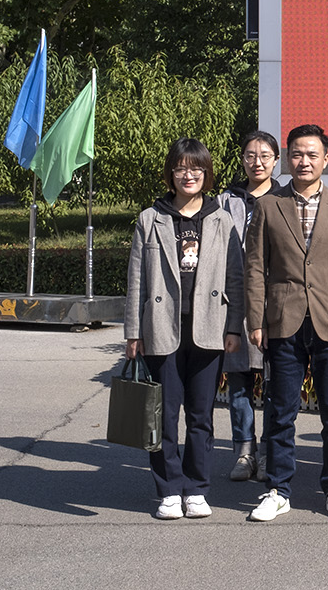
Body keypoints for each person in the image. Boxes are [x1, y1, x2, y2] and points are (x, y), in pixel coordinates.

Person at [239, 124, 328, 523]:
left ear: (326, 159)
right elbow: (255, 268)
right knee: (281, 411)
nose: (304, 161)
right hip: (283, 320)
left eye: (312, 155)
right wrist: (256, 319)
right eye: (297, 154)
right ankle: (278, 490)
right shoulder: (268, 206)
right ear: (287, 159)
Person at [124, 138, 242, 520]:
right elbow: (136, 280)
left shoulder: (221, 219)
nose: (188, 175)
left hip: (208, 327)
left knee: (201, 416)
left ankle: (196, 489)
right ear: (170, 173)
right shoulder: (150, 218)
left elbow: (236, 277)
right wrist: (133, 332)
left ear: (207, 173)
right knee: (163, 414)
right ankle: (169, 490)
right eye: (180, 168)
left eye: (196, 168)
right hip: (162, 328)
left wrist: (234, 327)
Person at [218, 130, 278, 484]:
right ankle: (245, 452)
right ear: (242, 159)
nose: (257, 162)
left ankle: (269, 452)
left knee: (274, 382)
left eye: (265, 156)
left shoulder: (284, 198)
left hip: (274, 303)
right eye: (251, 155)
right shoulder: (225, 201)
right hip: (235, 302)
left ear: (276, 161)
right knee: (239, 382)